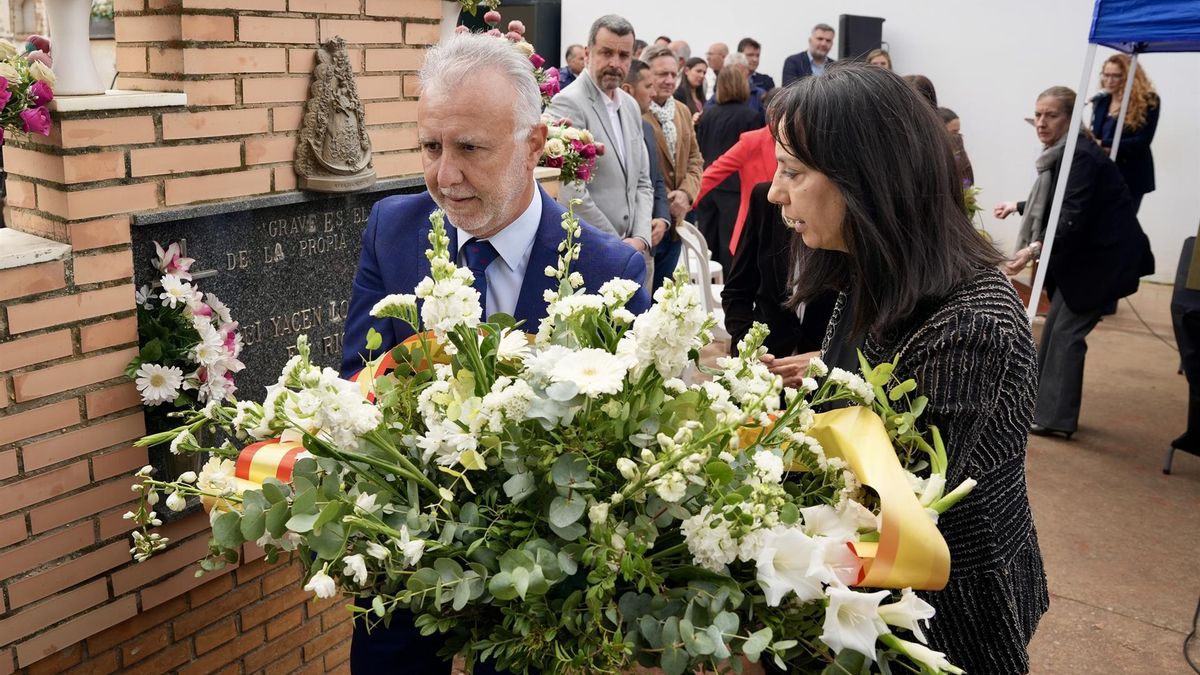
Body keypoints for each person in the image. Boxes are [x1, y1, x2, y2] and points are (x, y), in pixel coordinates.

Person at [342, 34, 651, 673]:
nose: (445, 176)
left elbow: (624, 450)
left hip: (534, 598)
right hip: (406, 577)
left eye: (470, 149)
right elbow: (359, 379)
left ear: (534, 144)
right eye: (431, 146)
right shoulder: (392, 230)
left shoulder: (606, 270)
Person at [769, 63, 1048, 673]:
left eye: (792, 171)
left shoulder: (972, 322)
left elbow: (895, 516)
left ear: (866, 178)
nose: (774, 192)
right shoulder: (868, 272)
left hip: (945, 609)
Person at [994, 86, 1154, 439]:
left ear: (1069, 118)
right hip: (1085, 260)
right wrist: (1020, 207)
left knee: (1065, 335)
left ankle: (1055, 419)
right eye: (1037, 115)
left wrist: (1032, 249)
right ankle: (1037, 408)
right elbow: (1058, 204)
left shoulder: (1079, 156)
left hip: (1103, 262)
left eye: (1050, 115)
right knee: (1053, 331)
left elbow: (1072, 214)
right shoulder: (1065, 154)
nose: (1041, 122)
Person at [547, 14, 655, 286]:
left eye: (623, 55)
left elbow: (643, 182)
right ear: (587, 53)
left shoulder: (630, 106)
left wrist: (641, 239)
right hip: (591, 255)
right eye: (606, 52)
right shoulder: (567, 103)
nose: (615, 63)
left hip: (635, 255)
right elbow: (569, 192)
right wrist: (616, 244)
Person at [722, 181, 836, 358]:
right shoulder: (766, 201)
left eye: (793, 171)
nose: (776, 188)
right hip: (765, 360)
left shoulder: (842, 213)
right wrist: (746, 344)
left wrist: (825, 358)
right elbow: (736, 291)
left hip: (828, 368)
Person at [641, 45, 705, 291]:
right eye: (662, 74)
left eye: (673, 74)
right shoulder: (636, 111)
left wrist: (686, 194)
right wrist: (664, 203)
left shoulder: (682, 110)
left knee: (661, 297)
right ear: (647, 74)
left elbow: (695, 158)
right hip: (647, 222)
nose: (669, 80)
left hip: (676, 220)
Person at [694, 67, 763, 270]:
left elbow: (700, 148)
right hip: (734, 189)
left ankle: (705, 288)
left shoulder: (707, 114)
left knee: (706, 242)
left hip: (706, 185)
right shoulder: (751, 116)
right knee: (729, 245)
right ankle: (727, 291)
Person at [622, 59, 675, 290]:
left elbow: (657, 181)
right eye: (648, 87)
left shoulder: (647, 128)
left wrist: (663, 219)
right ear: (628, 90)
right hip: (618, 243)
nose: (653, 94)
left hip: (646, 247)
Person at [1091, 53, 1159, 213]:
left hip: (1131, 173)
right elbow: (1097, 133)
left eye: (1116, 76)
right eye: (1106, 75)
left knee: (1122, 223)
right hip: (1104, 169)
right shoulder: (1102, 100)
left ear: (1130, 77)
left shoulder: (1148, 101)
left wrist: (1105, 144)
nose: (1109, 80)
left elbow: (1142, 141)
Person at [938, 107, 975, 186]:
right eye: (954, 132)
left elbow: (968, 178)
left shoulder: (958, 144)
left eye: (958, 132)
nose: (957, 136)